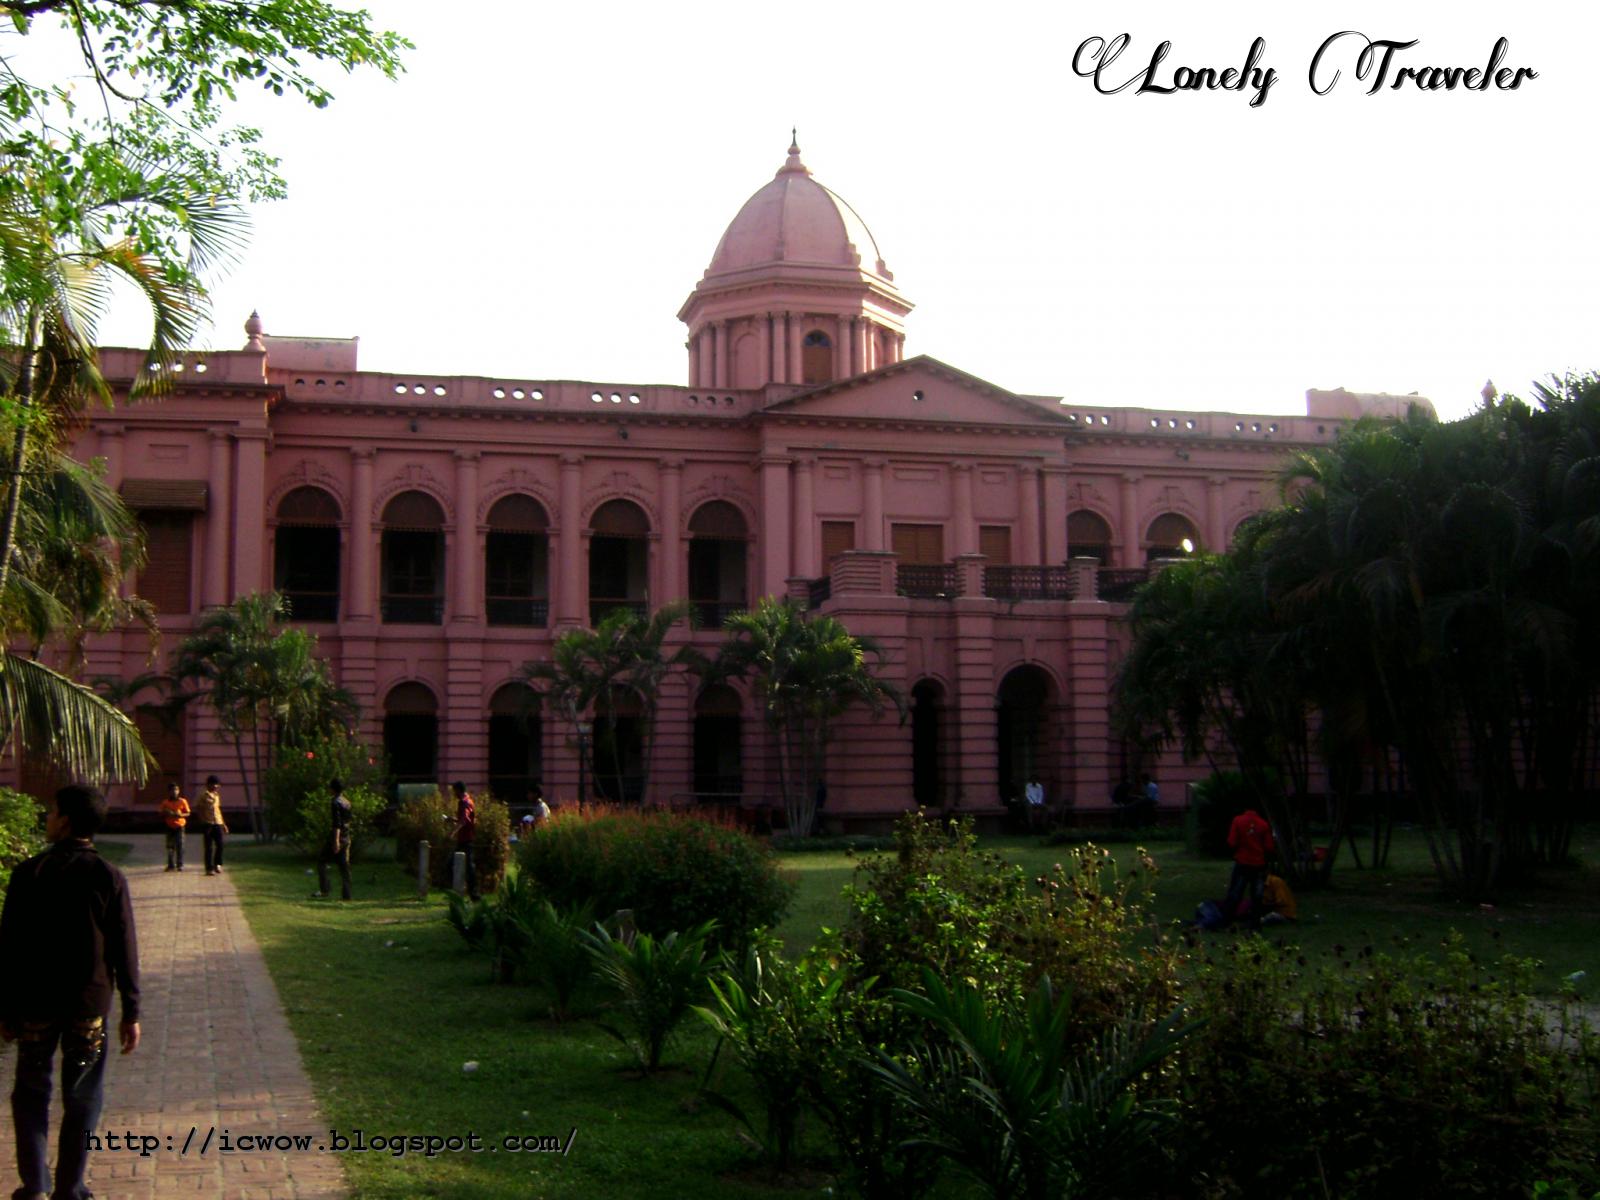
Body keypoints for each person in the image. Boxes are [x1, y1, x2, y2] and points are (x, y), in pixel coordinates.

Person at [0, 784, 141, 1200]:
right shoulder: (108, 877)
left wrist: (6, 1008)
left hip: (35, 1004)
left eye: (51, 812)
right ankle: (70, 1187)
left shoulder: (30, 873)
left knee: (30, 1091)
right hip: (87, 1004)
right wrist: (132, 1011)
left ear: (65, 821)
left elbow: (8, 947)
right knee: (82, 1094)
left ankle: (36, 1185)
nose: (47, 818)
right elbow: (124, 950)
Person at [1224, 805, 1276, 926]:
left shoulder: (1237, 820)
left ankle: (1227, 920)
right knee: (1257, 895)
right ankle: (1255, 922)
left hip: (1242, 862)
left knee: (1236, 892)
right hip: (1258, 864)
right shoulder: (1263, 824)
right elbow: (1269, 847)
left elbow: (1232, 841)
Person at [314, 778, 353, 901]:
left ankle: (325, 889)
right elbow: (347, 821)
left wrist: (336, 841)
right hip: (346, 837)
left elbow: (337, 823)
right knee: (344, 868)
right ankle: (347, 895)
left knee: (322, 860)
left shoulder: (335, 802)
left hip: (338, 837)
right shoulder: (347, 802)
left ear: (333, 789)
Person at [193, 774, 227, 876]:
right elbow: (198, 809)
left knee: (220, 845)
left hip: (217, 823)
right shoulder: (203, 796)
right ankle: (209, 868)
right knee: (208, 847)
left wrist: (224, 824)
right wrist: (202, 820)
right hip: (207, 824)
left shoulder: (217, 796)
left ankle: (218, 864)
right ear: (208, 785)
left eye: (217, 784)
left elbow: (218, 810)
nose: (216, 786)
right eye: (214, 784)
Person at [453, 781, 478, 900]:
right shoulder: (468, 801)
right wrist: (452, 820)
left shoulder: (465, 802)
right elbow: (464, 820)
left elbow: (464, 821)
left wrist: (453, 833)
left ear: (458, 790)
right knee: (465, 866)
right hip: (464, 838)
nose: (454, 794)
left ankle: (473, 893)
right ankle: (466, 891)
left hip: (466, 839)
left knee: (468, 866)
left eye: (455, 791)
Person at [159, 781, 190, 871]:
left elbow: (188, 813)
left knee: (180, 845)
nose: (174, 792)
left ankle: (180, 864)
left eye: (176, 789)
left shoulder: (182, 801)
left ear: (179, 791)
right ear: (169, 792)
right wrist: (166, 812)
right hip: (169, 826)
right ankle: (170, 864)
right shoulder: (165, 802)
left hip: (180, 826)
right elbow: (160, 813)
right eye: (172, 790)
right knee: (170, 846)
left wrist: (180, 815)